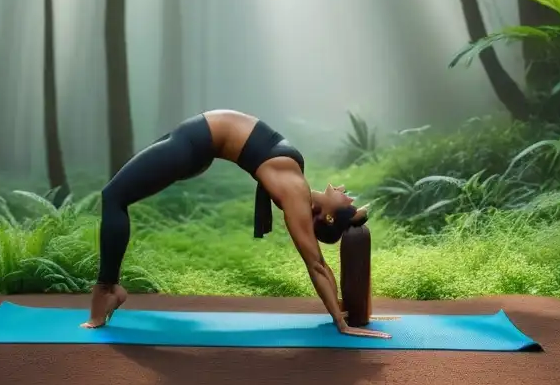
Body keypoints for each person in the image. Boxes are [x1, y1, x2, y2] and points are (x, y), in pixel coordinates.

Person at [81, 109, 391, 339]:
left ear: (329, 217)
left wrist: (342, 322)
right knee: (116, 195)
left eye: (349, 205)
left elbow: (317, 264)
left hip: (194, 144)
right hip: (192, 137)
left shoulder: (295, 193)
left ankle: (106, 290)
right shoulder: (298, 185)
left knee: (113, 196)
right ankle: (110, 288)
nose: (347, 195)